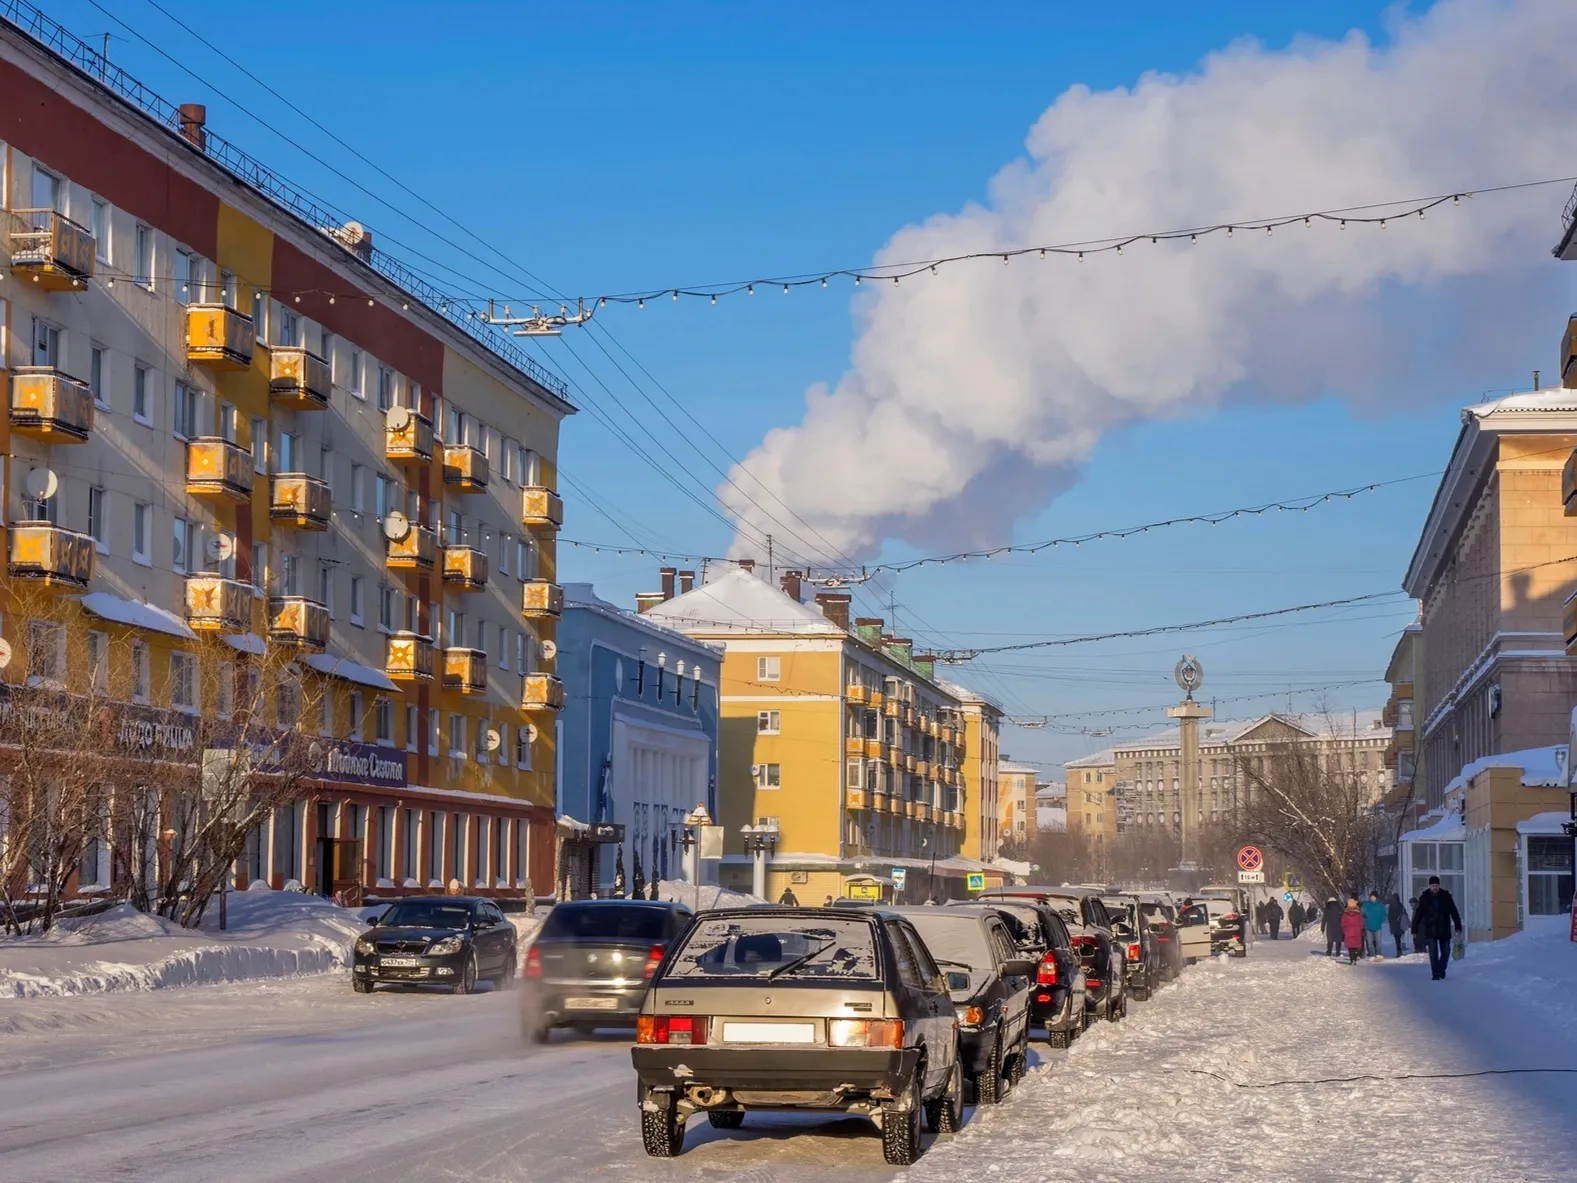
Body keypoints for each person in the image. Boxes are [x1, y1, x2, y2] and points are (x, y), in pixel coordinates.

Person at [1411, 875, 1463, 980]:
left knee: (1446, 951)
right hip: (1431, 928)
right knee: (1433, 952)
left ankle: (1441, 969)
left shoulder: (1446, 896)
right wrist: (1414, 928)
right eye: (1433, 885)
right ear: (1430, 886)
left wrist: (1458, 926)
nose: (1435, 887)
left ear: (1439, 885)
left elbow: (1454, 911)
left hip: (1444, 927)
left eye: (1436, 885)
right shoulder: (1424, 898)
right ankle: (1435, 973)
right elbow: (1418, 914)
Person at [1360, 891, 1388, 959]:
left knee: (1378, 942)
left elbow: (1384, 915)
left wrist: (1379, 921)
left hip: (1377, 926)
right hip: (1368, 926)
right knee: (1370, 943)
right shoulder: (1366, 904)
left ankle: (1378, 954)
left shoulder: (1380, 905)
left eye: (1374, 897)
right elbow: (1362, 912)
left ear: (1376, 897)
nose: (1372, 898)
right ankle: (1372, 955)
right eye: (1371, 896)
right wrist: (1364, 917)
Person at [1339, 895, 1366, 964]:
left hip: (1348, 932)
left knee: (1350, 947)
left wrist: (1345, 930)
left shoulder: (1345, 914)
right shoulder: (1358, 914)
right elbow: (1361, 923)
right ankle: (1356, 955)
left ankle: (1352, 959)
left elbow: (1343, 923)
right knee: (1356, 946)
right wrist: (1360, 929)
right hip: (1357, 932)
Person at [1386, 892, 1409, 958]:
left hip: (1395, 924)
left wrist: (1390, 921)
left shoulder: (1392, 906)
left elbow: (1389, 915)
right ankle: (1399, 950)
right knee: (1398, 938)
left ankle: (1399, 950)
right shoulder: (1400, 905)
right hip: (1399, 924)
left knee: (1397, 938)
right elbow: (1404, 913)